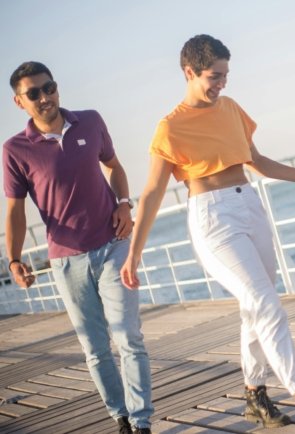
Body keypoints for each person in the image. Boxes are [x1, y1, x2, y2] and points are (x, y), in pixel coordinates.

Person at [119, 34, 295, 434]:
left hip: (250, 207)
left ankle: (255, 395)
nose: (221, 84)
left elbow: (254, 159)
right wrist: (134, 253)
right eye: (214, 76)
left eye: (225, 75)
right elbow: (152, 192)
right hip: (213, 219)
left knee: (254, 308)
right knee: (264, 301)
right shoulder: (169, 127)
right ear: (189, 72)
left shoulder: (231, 108)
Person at [3, 62, 153, 433]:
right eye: (34, 93)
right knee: (96, 349)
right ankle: (120, 416)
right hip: (67, 263)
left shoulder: (90, 121)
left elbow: (114, 167)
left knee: (129, 337)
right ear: (19, 102)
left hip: (113, 245)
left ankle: (142, 421)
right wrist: (15, 259)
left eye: (48, 87)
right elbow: (15, 211)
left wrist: (124, 203)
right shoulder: (15, 150)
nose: (45, 97)